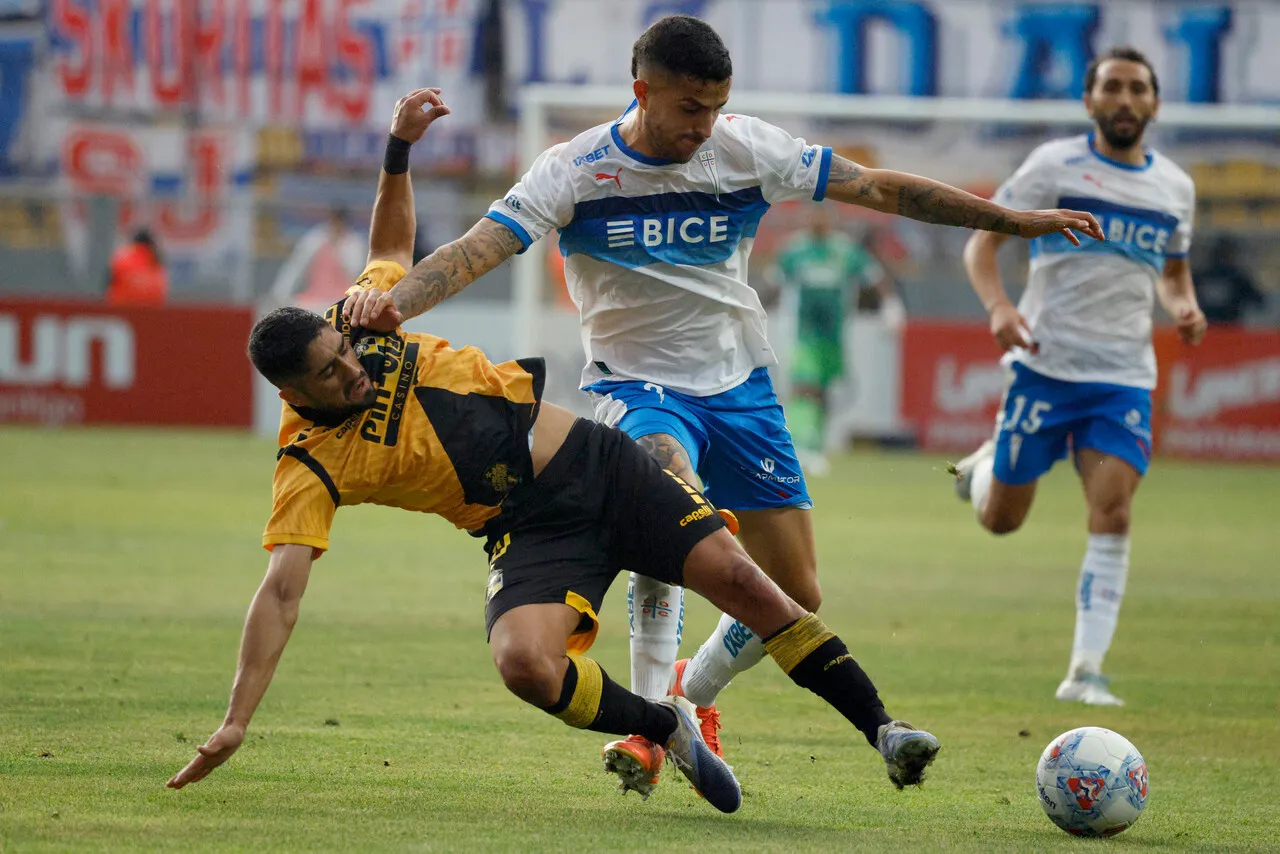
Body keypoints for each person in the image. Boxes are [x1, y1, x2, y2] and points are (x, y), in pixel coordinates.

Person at [344, 15, 1100, 795]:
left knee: (797, 593)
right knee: (669, 498)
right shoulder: (575, 170)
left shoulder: (746, 149)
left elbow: (880, 189)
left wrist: (1009, 222)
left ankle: (693, 696)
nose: (703, 127)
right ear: (643, 91)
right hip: (636, 386)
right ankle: (649, 724)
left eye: (714, 108)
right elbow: (478, 248)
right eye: (688, 109)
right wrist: (396, 303)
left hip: (741, 389)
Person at [167, 87, 944, 812]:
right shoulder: (308, 463)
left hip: (594, 464)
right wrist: (236, 719)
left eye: (344, 352)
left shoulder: (361, 321)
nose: (352, 370)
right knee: (524, 665)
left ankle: (884, 730)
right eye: (331, 376)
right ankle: (662, 721)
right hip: (527, 529)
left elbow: (391, 244)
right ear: (291, 395)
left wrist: (398, 150)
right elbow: (279, 594)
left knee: (751, 581)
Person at [948, 47, 1207, 706]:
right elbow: (982, 240)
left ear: (1154, 103)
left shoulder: (1175, 188)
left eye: (1137, 88)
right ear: (1090, 101)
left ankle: (1085, 671)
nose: (1125, 99)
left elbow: (1173, 269)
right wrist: (1000, 307)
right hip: (1045, 367)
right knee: (1002, 521)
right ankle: (983, 471)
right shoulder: (1053, 168)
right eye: (1112, 87)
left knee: (1113, 511)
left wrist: (1183, 304)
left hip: (1122, 379)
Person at [771, 205, 900, 475]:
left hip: (835, 333)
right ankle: (798, 445)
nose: (817, 220)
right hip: (801, 331)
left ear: (831, 220)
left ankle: (816, 446)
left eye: (823, 215)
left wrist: (891, 305)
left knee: (822, 390)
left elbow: (875, 277)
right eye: (813, 215)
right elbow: (773, 283)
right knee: (803, 385)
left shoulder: (845, 251)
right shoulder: (794, 250)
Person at [269, 205, 366, 311]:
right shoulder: (315, 239)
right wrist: (281, 292)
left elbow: (355, 272)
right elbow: (297, 266)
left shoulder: (353, 243)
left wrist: (337, 248)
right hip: (315, 297)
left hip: (342, 297)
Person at [1193, 235, 1266, 324]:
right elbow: (1259, 301)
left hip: (1206, 331)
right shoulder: (1237, 278)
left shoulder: (1200, 276)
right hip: (1229, 332)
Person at [105, 228, 168, 306]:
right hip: (150, 314)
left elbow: (107, 284)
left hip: (121, 311)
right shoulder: (157, 262)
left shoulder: (122, 259)